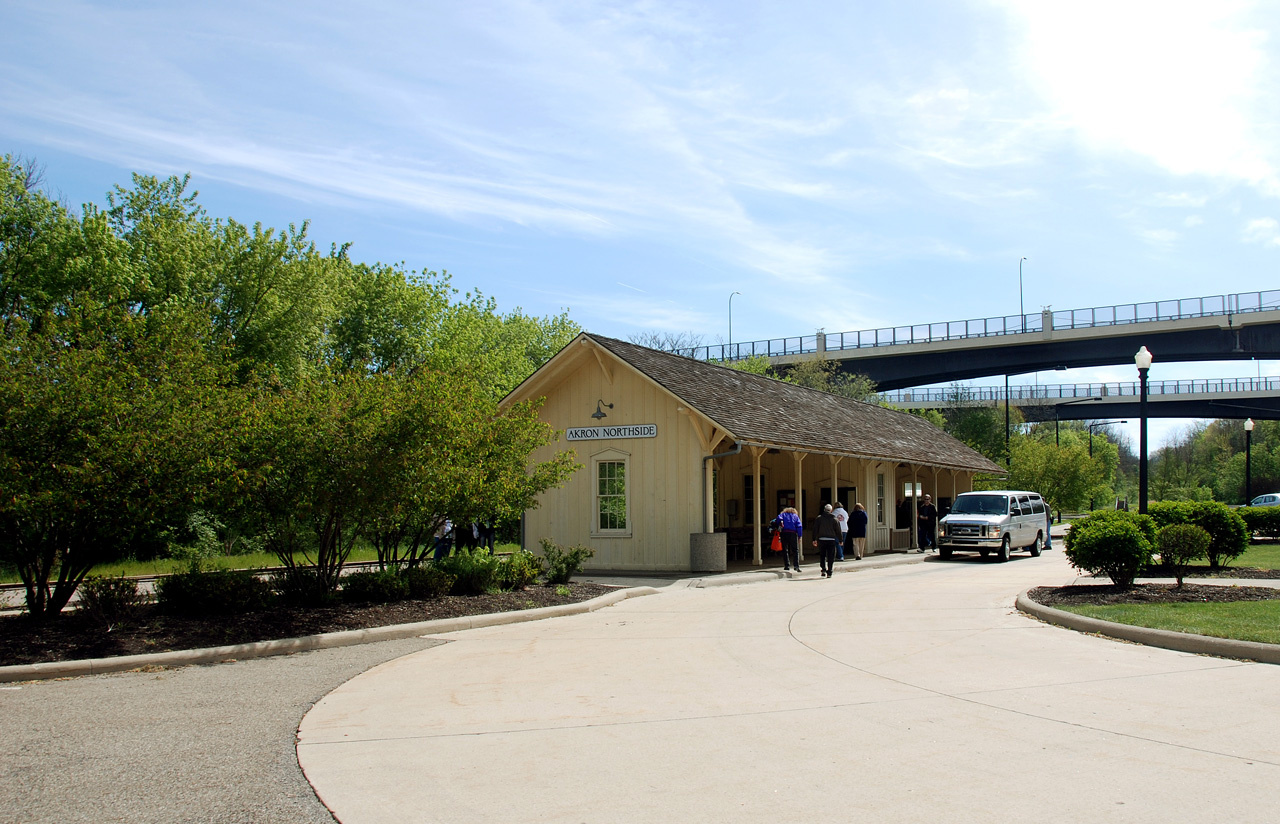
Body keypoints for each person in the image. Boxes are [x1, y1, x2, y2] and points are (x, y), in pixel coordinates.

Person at [813, 503, 842, 577]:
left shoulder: (819, 518)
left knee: (822, 555)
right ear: (831, 510)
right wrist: (840, 540)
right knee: (831, 556)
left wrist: (814, 539)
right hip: (831, 539)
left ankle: (823, 569)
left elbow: (815, 529)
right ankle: (830, 571)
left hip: (822, 539)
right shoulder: (834, 519)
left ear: (824, 510)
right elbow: (838, 530)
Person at [777, 506, 803, 571]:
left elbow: (778, 519)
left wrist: (781, 522)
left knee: (785, 549)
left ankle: (787, 565)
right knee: (795, 550)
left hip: (784, 533)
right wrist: (799, 536)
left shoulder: (782, 515)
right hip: (793, 533)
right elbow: (799, 526)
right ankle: (796, 566)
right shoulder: (795, 516)